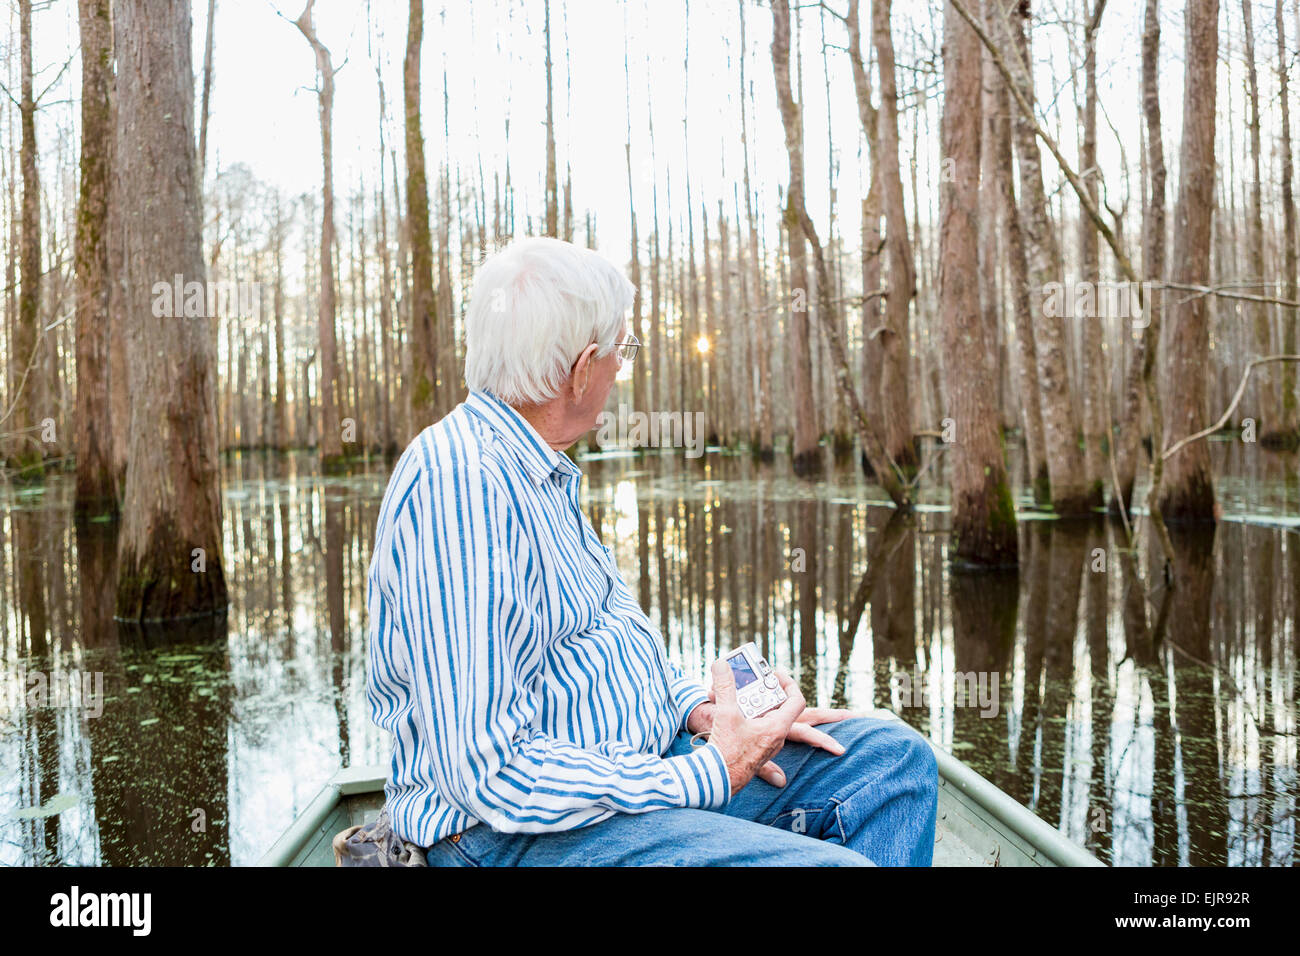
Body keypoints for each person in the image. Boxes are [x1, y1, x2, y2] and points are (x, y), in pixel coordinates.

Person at [364, 236, 938, 866]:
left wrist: (701, 710)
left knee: (894, 762)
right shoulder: (460, 484)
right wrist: (714, 771)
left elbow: (603, 652)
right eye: (622, 352)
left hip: (628, 777)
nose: (620, 368)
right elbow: (490, 775)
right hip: (516, 836)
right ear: (583, 368)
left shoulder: (540, 470)